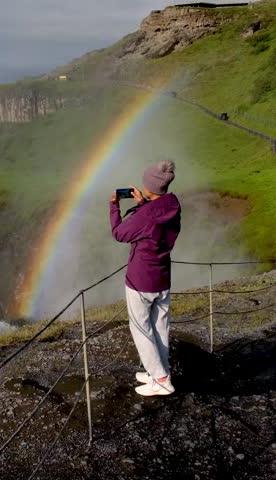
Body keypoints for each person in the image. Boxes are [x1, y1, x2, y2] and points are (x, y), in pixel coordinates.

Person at [109, 160, 181, 396]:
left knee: (141, 329)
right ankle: (159, 372)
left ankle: (160, 380)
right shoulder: (172, 204)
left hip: (141, 279)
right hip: (162, 277)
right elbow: (153, 223)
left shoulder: (146, 216)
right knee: (160, 327)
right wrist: (142, 202)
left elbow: (119, 233)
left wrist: (113, 206)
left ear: (150, 186)